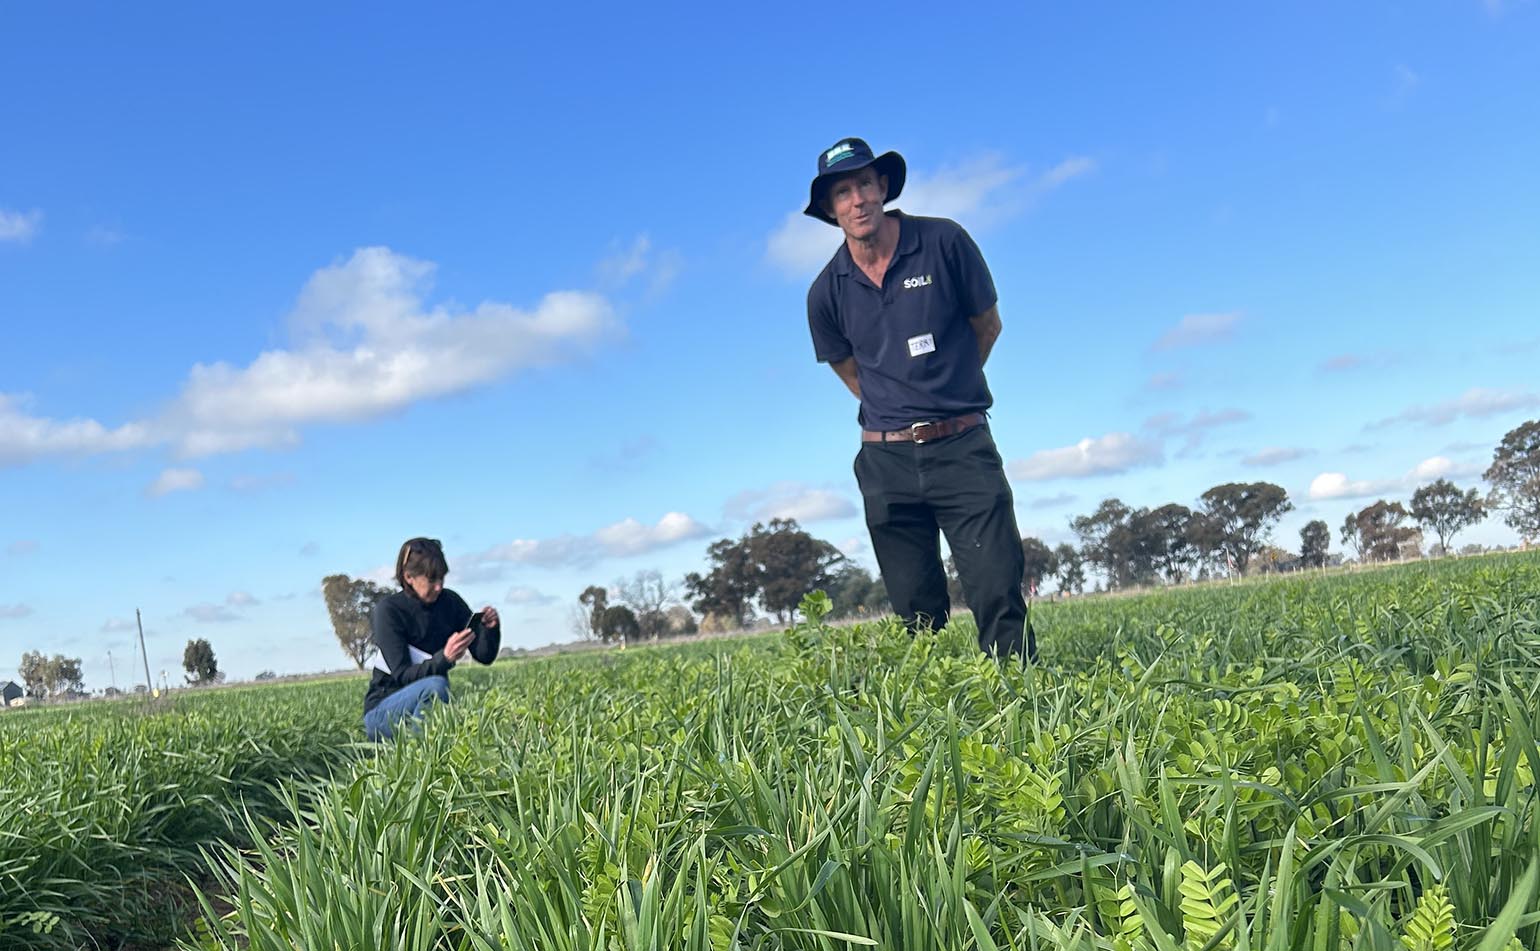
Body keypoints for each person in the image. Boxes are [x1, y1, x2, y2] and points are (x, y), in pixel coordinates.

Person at [803, 137, 1034, 660]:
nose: (857, 200)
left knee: (996, 587)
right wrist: (898, 412)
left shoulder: (944, 241)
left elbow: (987, 325)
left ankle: (1023, 707)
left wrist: (943, 393)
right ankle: (933, 718)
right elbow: (849, 370)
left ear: (882, 187)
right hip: (886, 462)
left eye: (864, 184)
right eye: (842, 193)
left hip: (962, 446)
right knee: (915, 614)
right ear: (831, 209)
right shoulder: (825, 292)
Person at [362, 537, 501, 740]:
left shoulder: (450, 602)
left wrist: (489, 630)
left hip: (428, 701)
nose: (438, 587)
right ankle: (421, 759)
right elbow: (402, 674)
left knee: (437, 689)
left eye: (441, 579)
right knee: (436, 686)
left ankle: (426, 749)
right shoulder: (389, 611)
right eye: (431, 580)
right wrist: (444, 658)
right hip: (383, 710)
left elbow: (484, 656)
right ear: (409, 577)